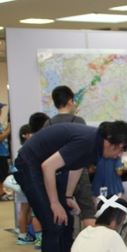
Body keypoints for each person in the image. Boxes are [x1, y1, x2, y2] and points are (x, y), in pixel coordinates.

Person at [13, 121, 127, 252]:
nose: (119, 155)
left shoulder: (94, 146)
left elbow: (75, 166)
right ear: (110, 139)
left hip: (44, 167)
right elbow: (48, 166)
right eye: (120, 149)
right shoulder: (87, 141)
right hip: (29, 164)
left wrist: (68, 196)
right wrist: (55, 203)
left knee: (66, 222)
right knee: (53, 224)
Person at [44, 86, 96, 228]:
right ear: (70, 101)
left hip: (57, 173)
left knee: (60, 207)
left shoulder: (47, 124)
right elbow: (84, 149)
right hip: (78, 171)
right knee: (88, 210)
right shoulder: (78, 121)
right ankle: (91, 244)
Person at [14, 124, 42, 247]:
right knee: (29, 210)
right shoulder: (28, 150)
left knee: (25, 210)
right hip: (26, 183)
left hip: (21, 183)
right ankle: (26, 235)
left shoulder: (22, 150)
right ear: (27, 135)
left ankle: (23, 234)